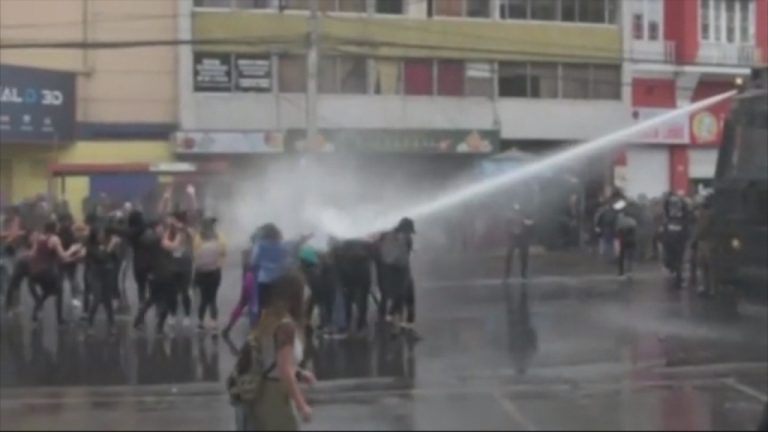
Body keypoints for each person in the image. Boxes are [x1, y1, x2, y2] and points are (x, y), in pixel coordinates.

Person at [228, 269, 315, 431]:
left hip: (262, 391)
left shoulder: (271, 318)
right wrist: (302, 405)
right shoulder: (286, 327)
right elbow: (284, 370)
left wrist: (300, 373)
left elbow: (271, 358)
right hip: (274, 394)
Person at [29, 221, 82, 325]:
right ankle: (59, 319)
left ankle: (36, 311)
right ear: (54, 228)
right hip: (47, 271)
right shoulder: (54, 239)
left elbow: (33, 254)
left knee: (48, 291)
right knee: (59, 291)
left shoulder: (40, 238)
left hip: (35, 271)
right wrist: (72, 249)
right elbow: (63, 256)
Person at [379, 218, 416, 335]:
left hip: (396, 270)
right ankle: (400, 322)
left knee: (402, 295)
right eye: (409, 231)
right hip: (400, 270)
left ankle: (401, 320)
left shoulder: (390, 236)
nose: (410, 234)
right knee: (404, 295)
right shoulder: (401, 238)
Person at [85, 224, 122, 333]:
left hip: (107, 275)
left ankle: (111, 324)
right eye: (99, 233)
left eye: (102, 233)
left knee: (107, 301)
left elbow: (115, 259)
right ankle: (90, 322)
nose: (102, 235)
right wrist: (111, 245)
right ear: (94, 235)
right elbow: (102, 257)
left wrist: (116, 248)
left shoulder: (106, 243)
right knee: (96, 299)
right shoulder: (91, 246)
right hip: (95, 275)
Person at [194, 217, 226, 331]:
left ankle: (200, 322)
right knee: (212, 298)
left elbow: (195, 254)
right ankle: (214, 322)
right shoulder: (219, 238)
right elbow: (223, 251)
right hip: (215, 272)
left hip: (201, 272)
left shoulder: (198, 238)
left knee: (203, 298)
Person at [166, 211, 195, 325]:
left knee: (185, 291)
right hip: (172, 264)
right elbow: (165, 243)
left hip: (185, 265)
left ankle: (187, 315)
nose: (172, 222)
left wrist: (183, 228)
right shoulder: (170, 231)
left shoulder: (187, 230)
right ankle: (172, 314)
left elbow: (194, 237)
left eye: (173, 219)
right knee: (171, 292)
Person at [662, 192, 691, 289]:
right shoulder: (682, 218)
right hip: (678, 240)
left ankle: (676, 274)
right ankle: (677, 275)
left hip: (672, 239)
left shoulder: (669, 219)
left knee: (674, 258)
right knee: (678, 258)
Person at [57, 212, 82, 309]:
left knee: (68, 279)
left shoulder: (61, 232)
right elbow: (76, 244)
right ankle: (73, 298)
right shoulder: (68, 233)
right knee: (70, 279)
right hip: (68, 259)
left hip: (65, 259)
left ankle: (69, 298)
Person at [504, 203, 534, 280]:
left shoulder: (525, 216)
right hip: (513, 238)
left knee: (524, 255)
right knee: (509, 255)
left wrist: (525, 222)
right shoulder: (509, 218)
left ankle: (524, 274)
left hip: (522, 238)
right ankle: (507, 274)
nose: (516, 213)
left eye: (518, 211)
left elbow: (531, 223)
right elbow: (506, 227)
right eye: (515, 211)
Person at [614, 200, 638, 279]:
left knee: (621, 257)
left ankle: (621, 273)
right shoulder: (633, 221)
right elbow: (635, 230)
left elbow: (617, 230)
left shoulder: (620, 220)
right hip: (631, 240)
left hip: (622, 240)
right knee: (630, 257)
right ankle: (629, 272)